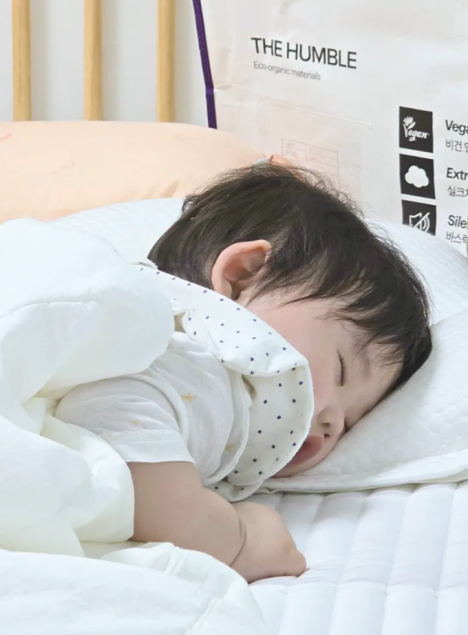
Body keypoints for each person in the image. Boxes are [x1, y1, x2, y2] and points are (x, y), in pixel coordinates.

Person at [55, 163, 431, 582]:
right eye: (341, 371)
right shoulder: (182, 348)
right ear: (242, 277)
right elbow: (109, 412)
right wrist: (234, 542)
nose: (332, 423)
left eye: (351, 420)